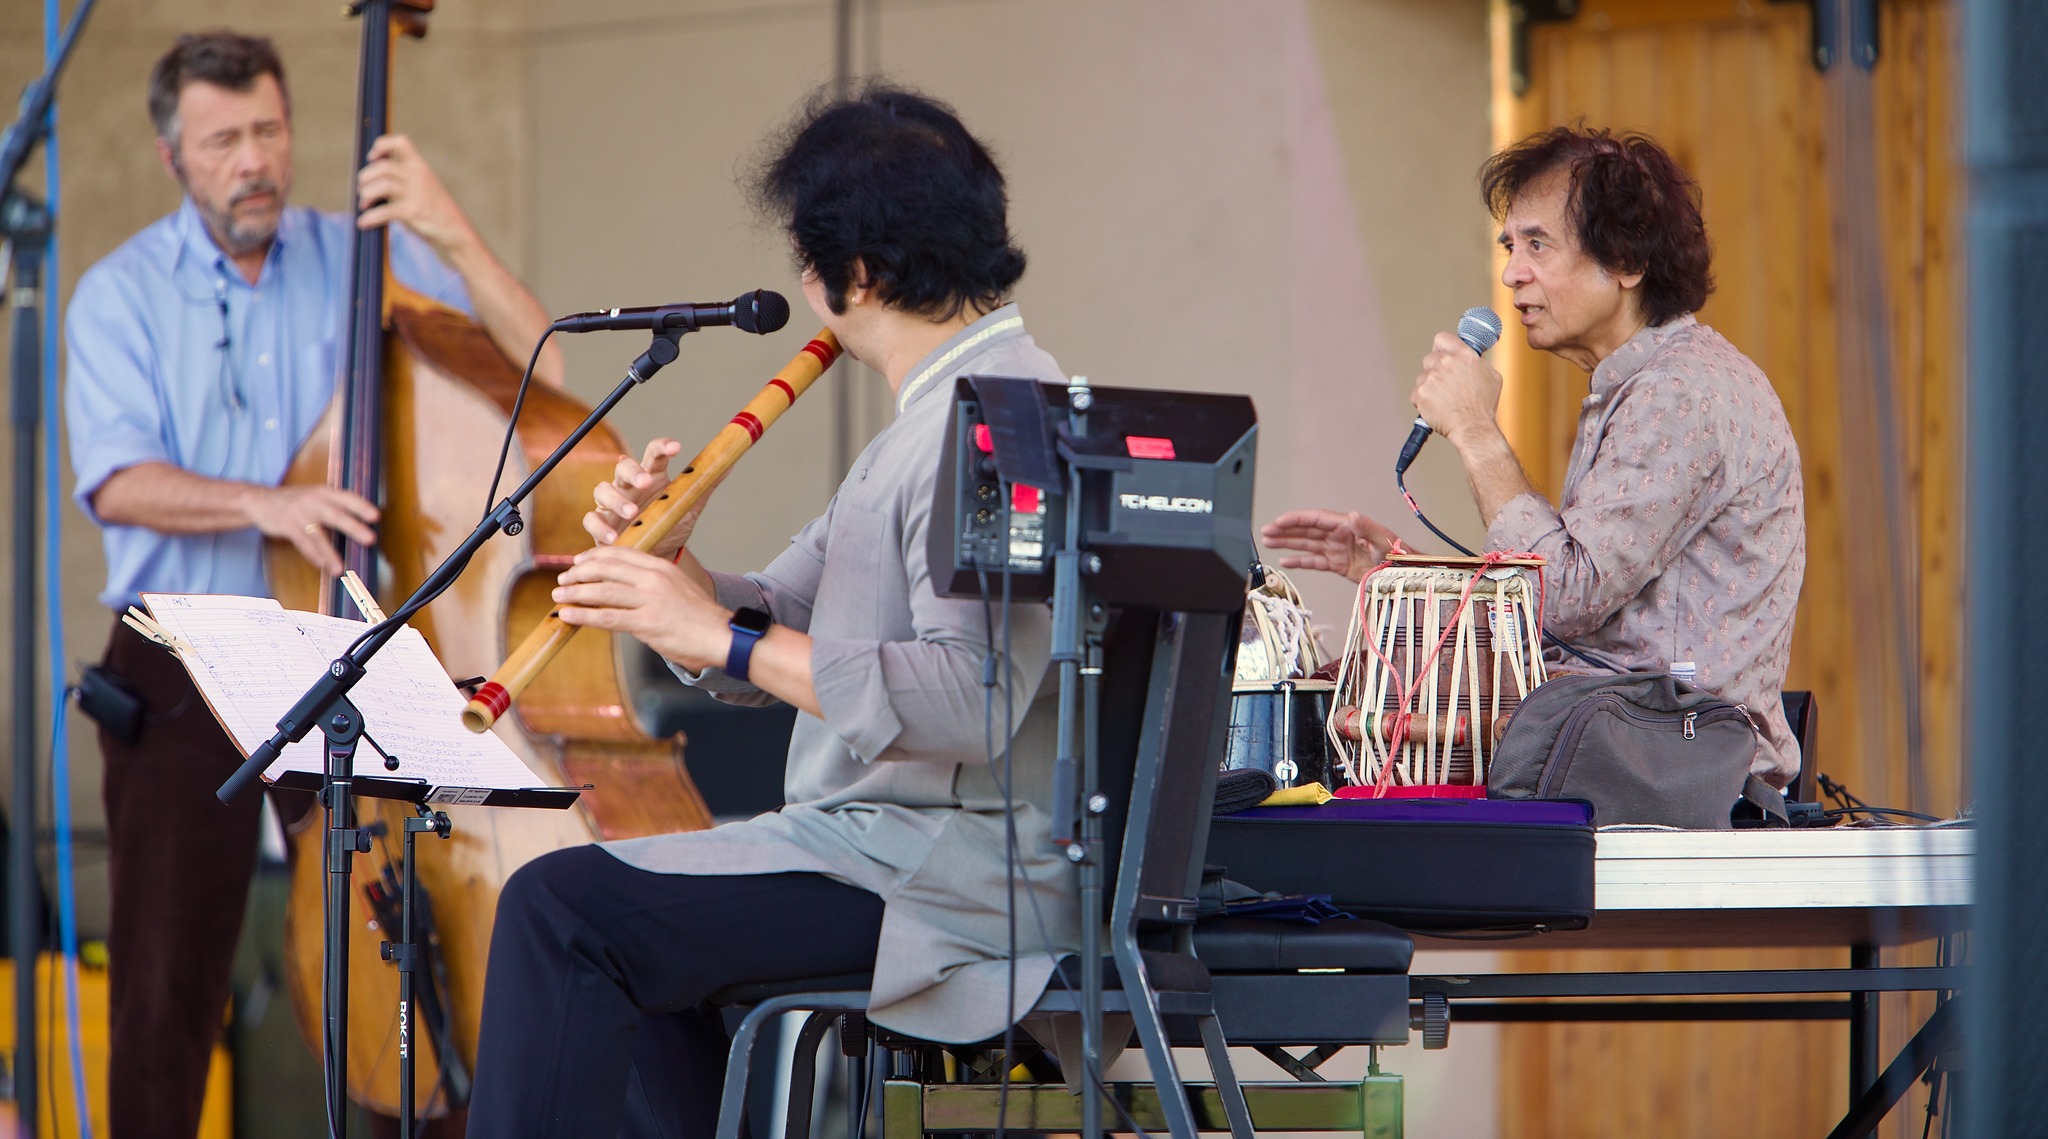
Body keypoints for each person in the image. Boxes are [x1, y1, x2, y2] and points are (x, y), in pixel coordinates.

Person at [463, 83, 1077, 1136]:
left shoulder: (1000, 423)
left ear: (859, 274)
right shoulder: (942, 413)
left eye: (810, 261)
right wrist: (675, 568)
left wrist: (722, 638)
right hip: (880, 839)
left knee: (561, 910)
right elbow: (783, 610)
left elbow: (970, 697)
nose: (804, 286)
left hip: (957, 871)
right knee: (620, 918)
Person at [64, 31, 560, 1137]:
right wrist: (269, 502)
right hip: (178, 649)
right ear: (172, 156)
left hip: (340, 639)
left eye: (270, 130)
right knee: (165, 966)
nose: (255, 160)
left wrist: (446, 224)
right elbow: (118, 478)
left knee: (402, 942)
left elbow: (542, 371)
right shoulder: (118, 292)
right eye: (224, 139)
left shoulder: (362, 254)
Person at [1264, 125, 1806, 786]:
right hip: (1643, 768)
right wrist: (1411, 576)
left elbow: (1567, 598)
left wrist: (1476, 431)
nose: (1512, 272)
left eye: (1538, 245)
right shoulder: (1643, 384)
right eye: (1509, 246)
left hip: (1681, 787)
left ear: (1628, 261)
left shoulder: (1680, 392)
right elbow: (1585, 618)